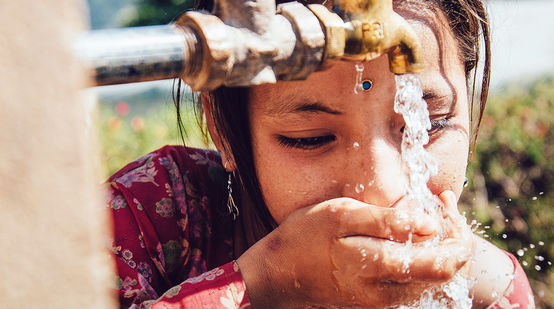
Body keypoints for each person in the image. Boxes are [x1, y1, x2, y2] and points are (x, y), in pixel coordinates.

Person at [105, 0, 534, 308]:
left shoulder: (488, 291)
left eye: (427, 124)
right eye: (310, 138)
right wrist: (266, 284)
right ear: (224, 133)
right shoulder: (148, 218)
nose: (382, 193)